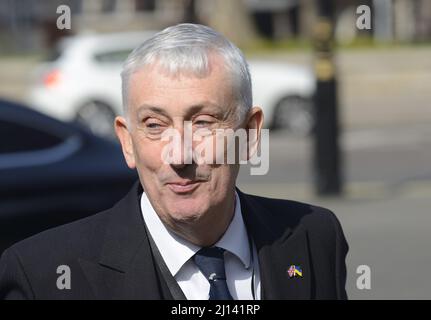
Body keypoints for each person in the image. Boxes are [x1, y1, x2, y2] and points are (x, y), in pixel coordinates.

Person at [0, 23, 348, 300]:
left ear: (250, 134)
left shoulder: (314, 238)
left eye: (203, 122)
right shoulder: (44, 274)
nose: (180, 155)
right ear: (127, 142)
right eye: (154, 125)